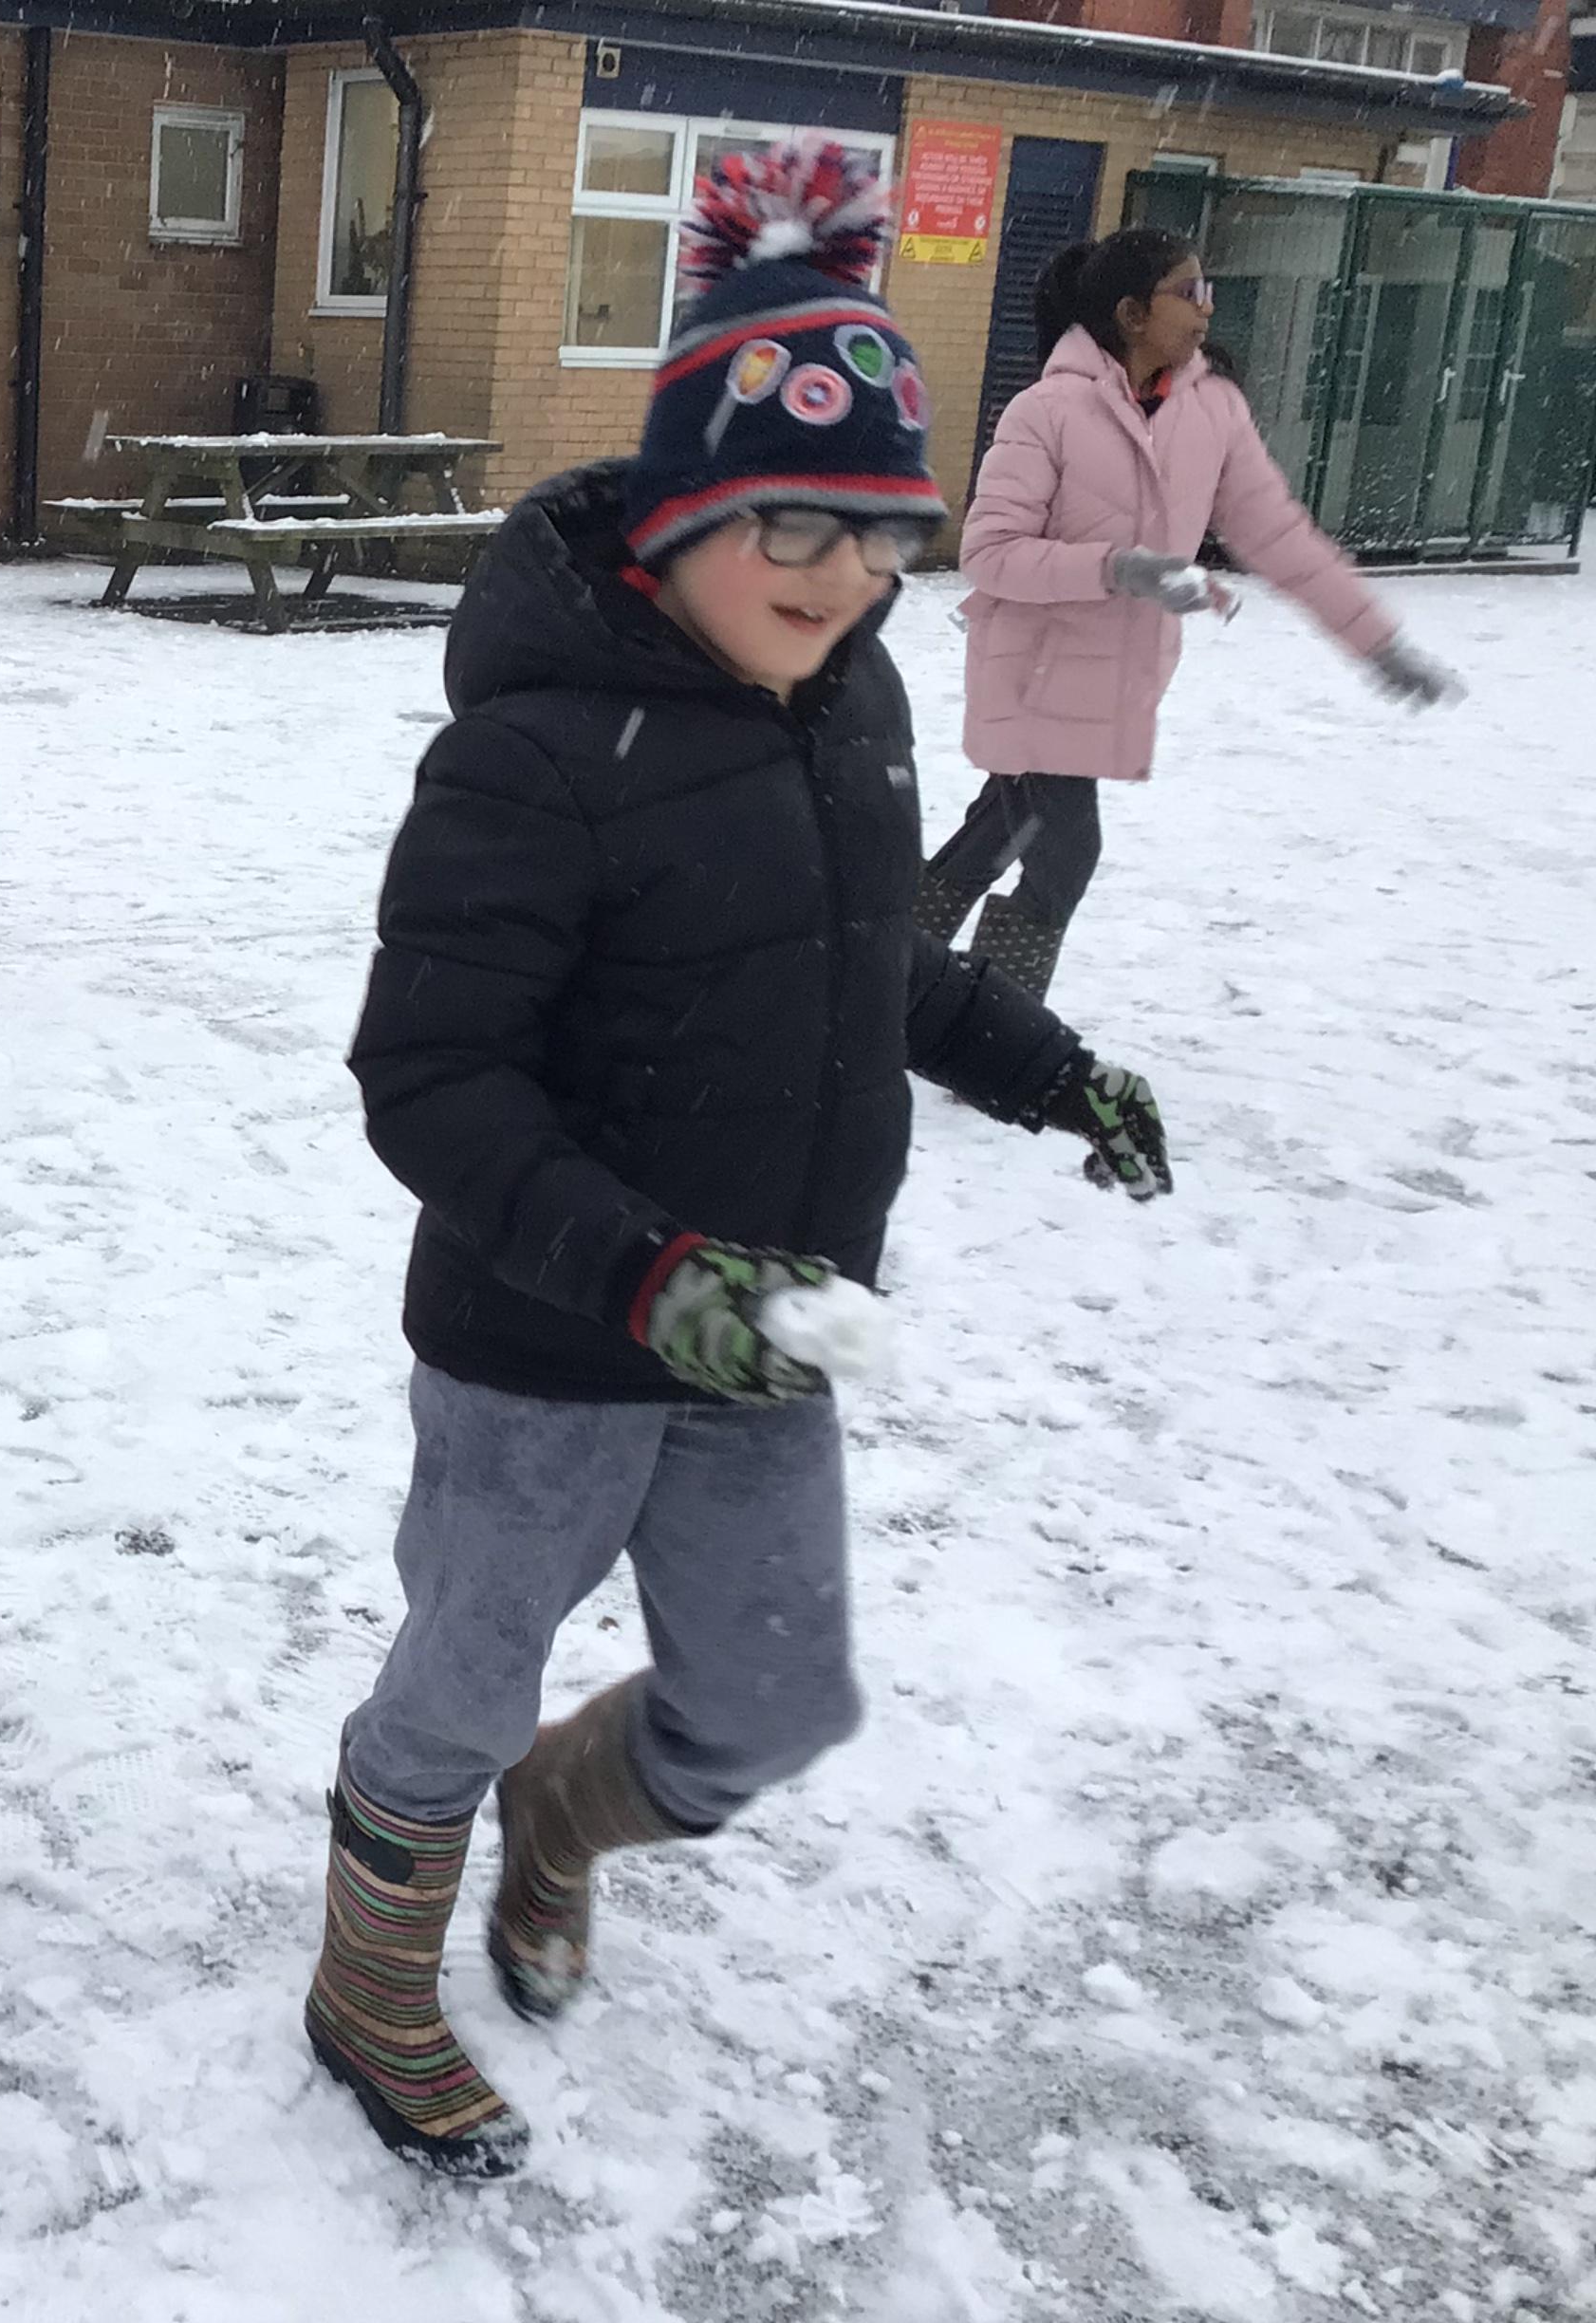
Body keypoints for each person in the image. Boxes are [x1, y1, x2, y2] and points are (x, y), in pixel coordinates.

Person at [304, 139, 1181, 2179]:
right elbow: (428, 1076)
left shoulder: (846, 710)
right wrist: (640, 1275)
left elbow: (876, 967)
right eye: (789, 520)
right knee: (458, 1680)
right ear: (683, 505)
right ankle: (367, 1978)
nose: (838, 570)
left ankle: (561, 1811)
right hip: (544, 1344)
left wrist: (1050, 1070)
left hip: (775, 1332)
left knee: (772, 1702)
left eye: (878, 531)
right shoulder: (528, 752)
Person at [926, 225, 1460, 999]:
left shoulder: (1213, 410)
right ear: (1132, 313)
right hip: (1031, 669)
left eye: (1207, 291)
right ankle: (986, 1033)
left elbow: (1277, 535)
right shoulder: (1048, 410)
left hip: (1115, 678)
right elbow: (991, 551)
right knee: (1064, 853)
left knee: (998, 834)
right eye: (1188, 292)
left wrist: (1375, 640)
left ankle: (883, 969)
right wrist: (1119, 568)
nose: (1206, 308)